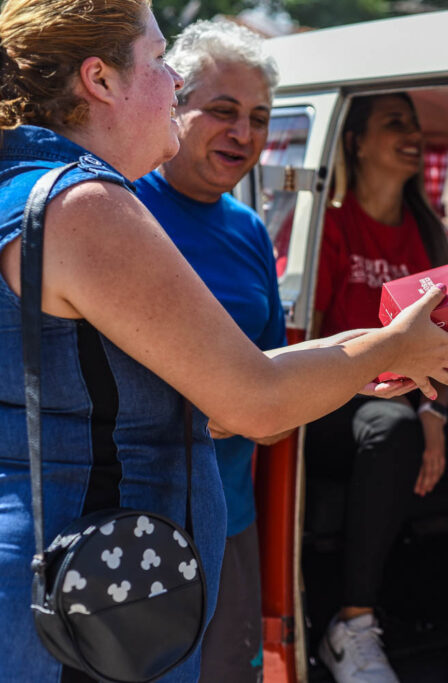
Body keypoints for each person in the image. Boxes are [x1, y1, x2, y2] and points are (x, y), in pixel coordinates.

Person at [0, 2, 448, 681]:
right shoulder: (85, 207)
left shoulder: (20, 187)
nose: (173, 80)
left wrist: (376, 347)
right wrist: (390, 351)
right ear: (100, 79)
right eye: (159, 59)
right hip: (92, 594)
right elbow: (253, 402)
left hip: (66, 574)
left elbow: (223, 385)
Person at [308, 93, 448, 683]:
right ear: (356, 141)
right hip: (333, 400)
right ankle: (351, 626)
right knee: (392, 426)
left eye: (415, 125)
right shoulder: (331, 225)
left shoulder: (426, 233)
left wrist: (435, 414)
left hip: (411, 402)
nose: (413, 135)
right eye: (394, 124)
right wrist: (393, 399)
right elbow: (307, 343)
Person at [133, 19, 284, 682]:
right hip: (134, 519)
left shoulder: (250, 230)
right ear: (174, 103)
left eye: (259, 118)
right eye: (223, 111)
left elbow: (273, 371)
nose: (243, 134)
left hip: (229, 518)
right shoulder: (118, 206)